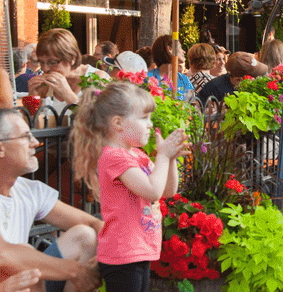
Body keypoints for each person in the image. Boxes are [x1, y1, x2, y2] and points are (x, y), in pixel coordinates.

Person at [71, 82, 190, 292]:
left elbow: (166, 192)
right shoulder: (114, 157)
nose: (150, 125)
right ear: (118, 123)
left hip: (139, 249)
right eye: (144, 118)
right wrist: (162, 156)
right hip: (123, 254)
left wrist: (170, 160)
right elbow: (152, 190)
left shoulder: (136, 155)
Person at [0, 108, 103, 292]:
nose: (36, 142)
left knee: (86, 236)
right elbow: (3, 254)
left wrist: (113, 250)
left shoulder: (29, 190)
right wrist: (76, 271)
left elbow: (91, 222)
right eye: (25, 137)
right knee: (25, 267)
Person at [28, 29, 111, 114]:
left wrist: (67, 94)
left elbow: (100, 120)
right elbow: (37, 123)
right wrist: (33, 99)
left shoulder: (98, 78)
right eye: (41, 62)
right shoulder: (46, 87)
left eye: (52, 62)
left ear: (72, 58)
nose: (44, 68)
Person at [196, 52, 266, 105]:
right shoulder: (213, 88)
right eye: (255, 76)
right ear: (238, 80)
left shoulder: (256, 88)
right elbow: (197, 110)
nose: (257, 79)